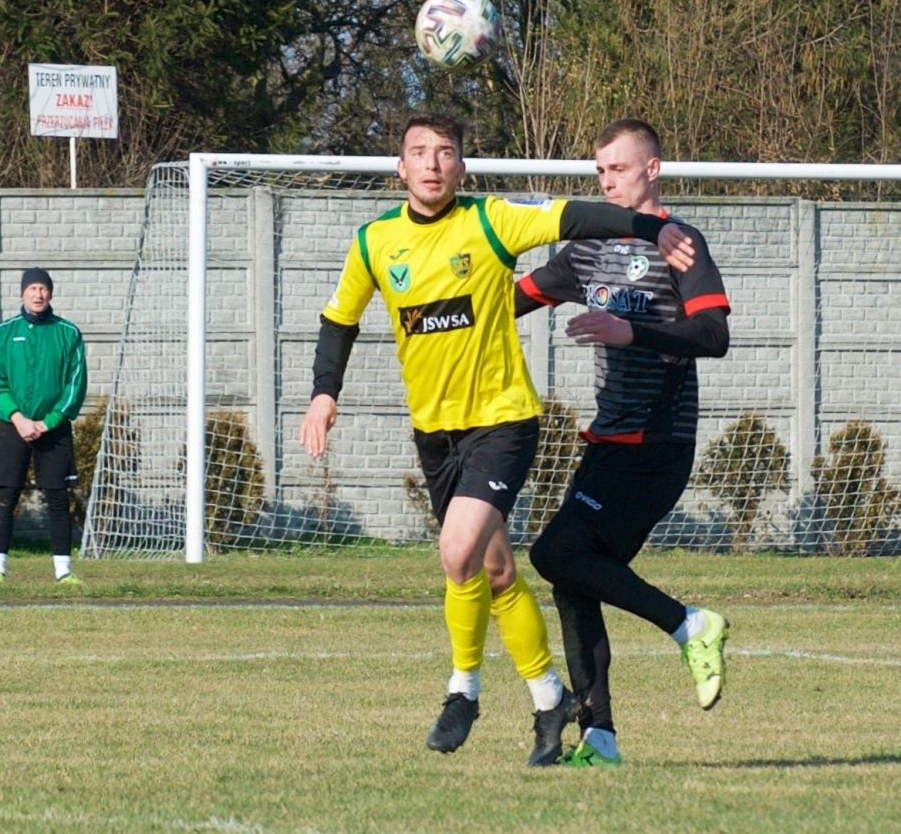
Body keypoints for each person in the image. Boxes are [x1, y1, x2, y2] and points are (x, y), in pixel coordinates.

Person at [297, 111, 699, 766]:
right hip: (435, 433)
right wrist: (324, 391)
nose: (432, 163)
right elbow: (339, 320)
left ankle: (463, 689)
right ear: (400, 168)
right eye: (419, 152)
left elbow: (576, 217)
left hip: (503, 422)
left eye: (445, 152)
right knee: (494, 570)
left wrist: (653, 226)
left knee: (457, 551)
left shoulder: (491, 221)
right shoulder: (374, 241)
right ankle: (550, 698)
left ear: (462, 166)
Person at [520, 118, 732, 768]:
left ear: (652, 169)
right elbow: (514, 299)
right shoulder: (586, 249)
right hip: (608, 441)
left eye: (618, 168)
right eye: (600, 171)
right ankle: (600, 737)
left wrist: (629, 331)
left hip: (657, 444)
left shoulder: (680, 242)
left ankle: (689, 624)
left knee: (555, 552)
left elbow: (714, 336)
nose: (607, 181)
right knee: (572, 577)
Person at [0, 268, 88, 585]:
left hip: (53, 429)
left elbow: (75, 384)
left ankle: (63, 571)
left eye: (43, 288)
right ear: (22, 293)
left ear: (50, 293)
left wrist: (48, 422)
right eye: (32, 288)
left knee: (57, 498)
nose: (38, 294)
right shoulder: (5, 332)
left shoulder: (68, 333)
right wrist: (17, 418)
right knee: (7, 496)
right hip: (13, 426)